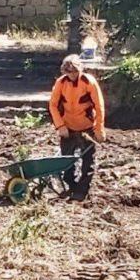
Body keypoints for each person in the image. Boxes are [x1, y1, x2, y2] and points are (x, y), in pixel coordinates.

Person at [48, 54, 106, 201]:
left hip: (87, 128)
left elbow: (99, 106)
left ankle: (82, 191)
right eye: (69, 72)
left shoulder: (89, 82)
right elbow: (53, 105)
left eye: (75, 71)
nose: (72, 74)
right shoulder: (61, 83)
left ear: (80, 69)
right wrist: (60, 126)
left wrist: (99, 129)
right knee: (67, 162)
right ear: (64, 71)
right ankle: (72, 186)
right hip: (68, 128)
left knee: (88, 162)